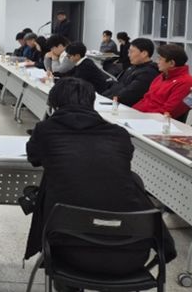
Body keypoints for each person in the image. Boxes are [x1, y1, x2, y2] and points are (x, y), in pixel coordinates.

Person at [24, 78, 176, 279]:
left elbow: (34, 158)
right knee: (132, 180)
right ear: (92, 101)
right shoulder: (119, 134)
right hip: (132, 254)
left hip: (66, 251)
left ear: (53, 103)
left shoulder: (45, 130)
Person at [133, 44, 192, 120]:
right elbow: (146, 99)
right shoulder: (162, 76)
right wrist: (132, 112)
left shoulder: (186, 83)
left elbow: (167, 112)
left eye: (160, 59)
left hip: (155, 122)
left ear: (171, 63)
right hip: (140, 116)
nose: (157, 62)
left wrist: (139, 117)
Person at [102, 38, 159, 106]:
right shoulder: (132, 67)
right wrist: (103, 96)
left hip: (125, 107)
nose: (129, 55)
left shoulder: (148, 73)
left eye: (131, 52)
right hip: (113, 102)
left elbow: (128, 94)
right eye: (129, 52)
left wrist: (105, 100)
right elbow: (118, 85)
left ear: (144, 54)